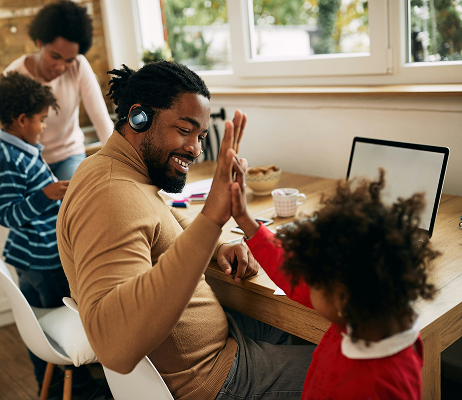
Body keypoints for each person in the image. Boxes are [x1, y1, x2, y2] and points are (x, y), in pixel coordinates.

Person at [56, 61, 314, 400]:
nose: (195, 148)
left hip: (213, 346)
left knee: (304, 333)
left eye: (201, 135)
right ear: (139, 117)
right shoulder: (111, 196)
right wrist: (211, 218)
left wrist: (219, 245)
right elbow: (114, 345)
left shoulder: (118, 171)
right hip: (213, 379)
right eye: (185, 130)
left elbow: (165, 220)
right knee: (355, 371)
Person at [231, 168, 440, 399]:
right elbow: (291, 272)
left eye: (312, 278)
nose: (305, 279)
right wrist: (245, 220)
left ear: (340, 295)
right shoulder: (363, 307)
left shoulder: (386, 383)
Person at [0, 71, 71, 398]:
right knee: (54, 331)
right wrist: (46, 195)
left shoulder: (24, 149)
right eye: (41, 120)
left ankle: (51, 386)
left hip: (40, 257)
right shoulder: (10, 158)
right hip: (40, 262)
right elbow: (6, 213)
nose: (44, 126)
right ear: (21, 120)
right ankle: (71, 388)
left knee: (44, 326)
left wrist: (56, 194)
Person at [4, 0, 113, 181]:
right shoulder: (13, 76)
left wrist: (121, 164)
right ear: (40, 43)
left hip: (70, 157)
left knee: (76, 201)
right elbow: (12, 138)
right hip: (30, 161)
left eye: (69, 59)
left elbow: (102, 121)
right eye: (55, 56)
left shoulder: (79, 66)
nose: (61, 67)